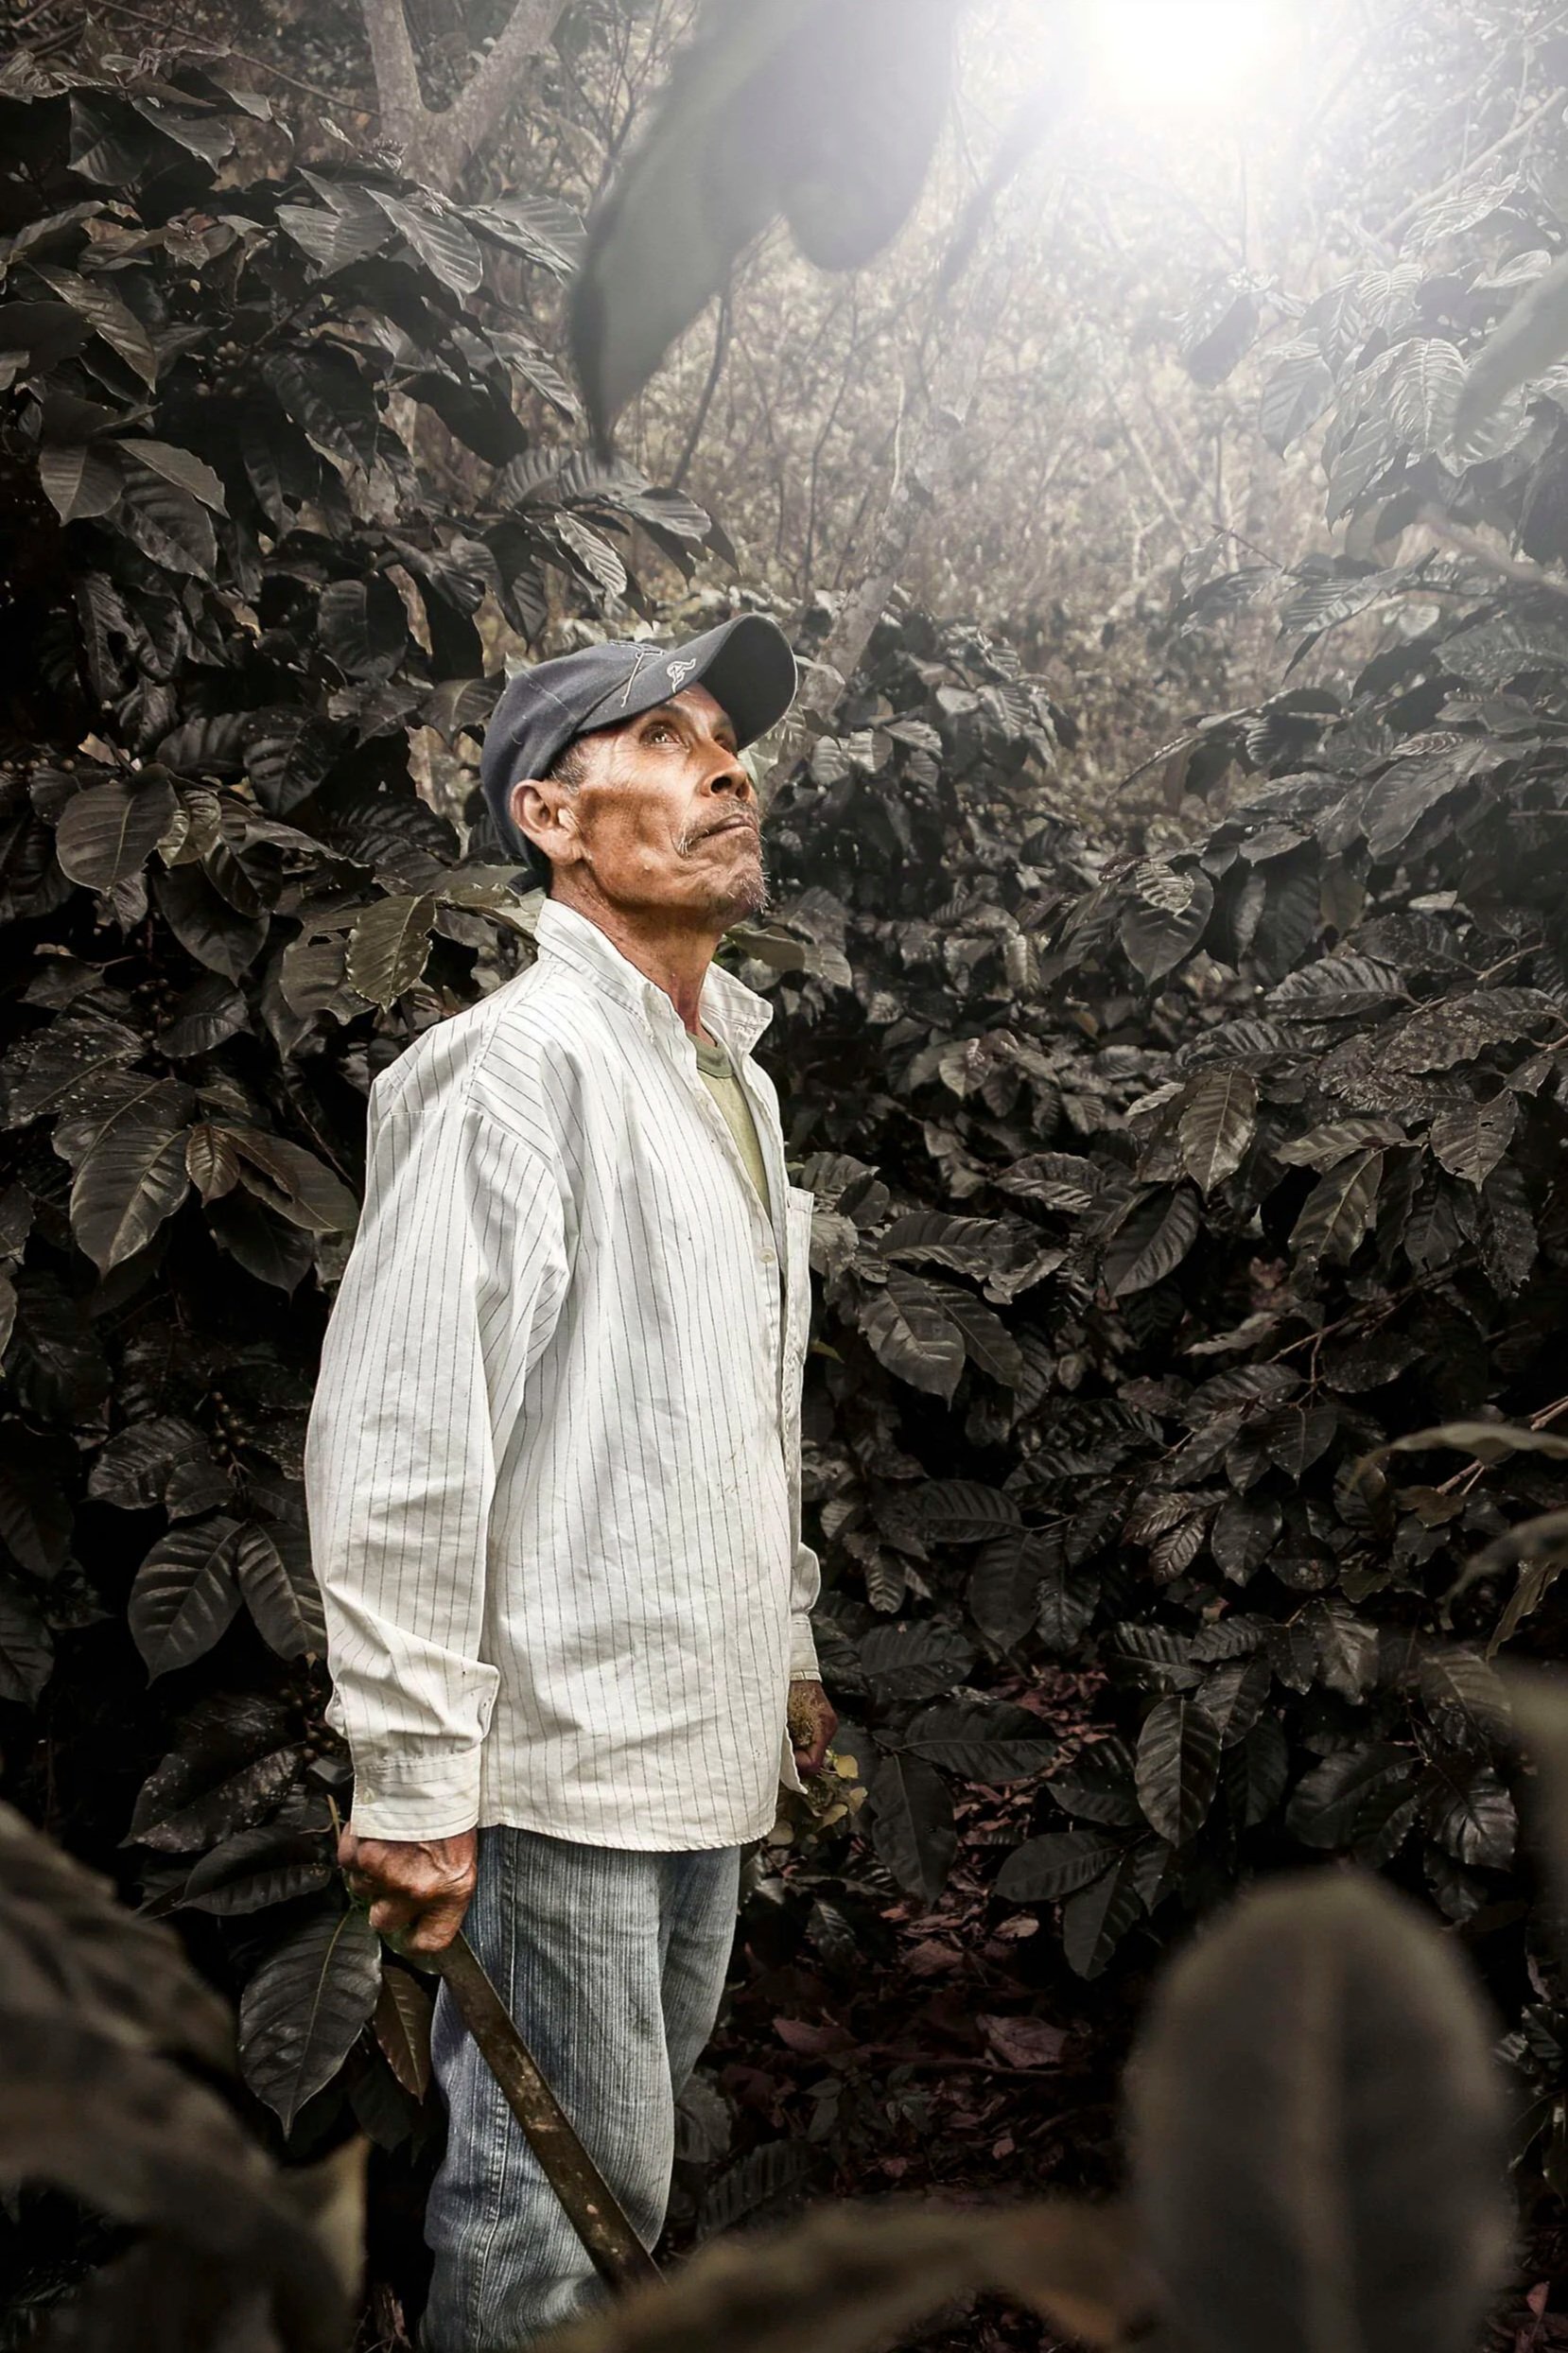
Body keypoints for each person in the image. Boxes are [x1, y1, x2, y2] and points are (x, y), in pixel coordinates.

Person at [303, 612, 838, 2352]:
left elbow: (733, 1406)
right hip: (558, 1768)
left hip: (689, 1740)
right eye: (670, 741)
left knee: (619, 2186)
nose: (726, 768)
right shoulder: (509, 1074)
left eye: (728, 744)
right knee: (553, 2221)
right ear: (549, 814)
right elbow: (402, 1440)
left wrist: (788, 1651)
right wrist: (407, 1772)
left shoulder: (726, 1081)